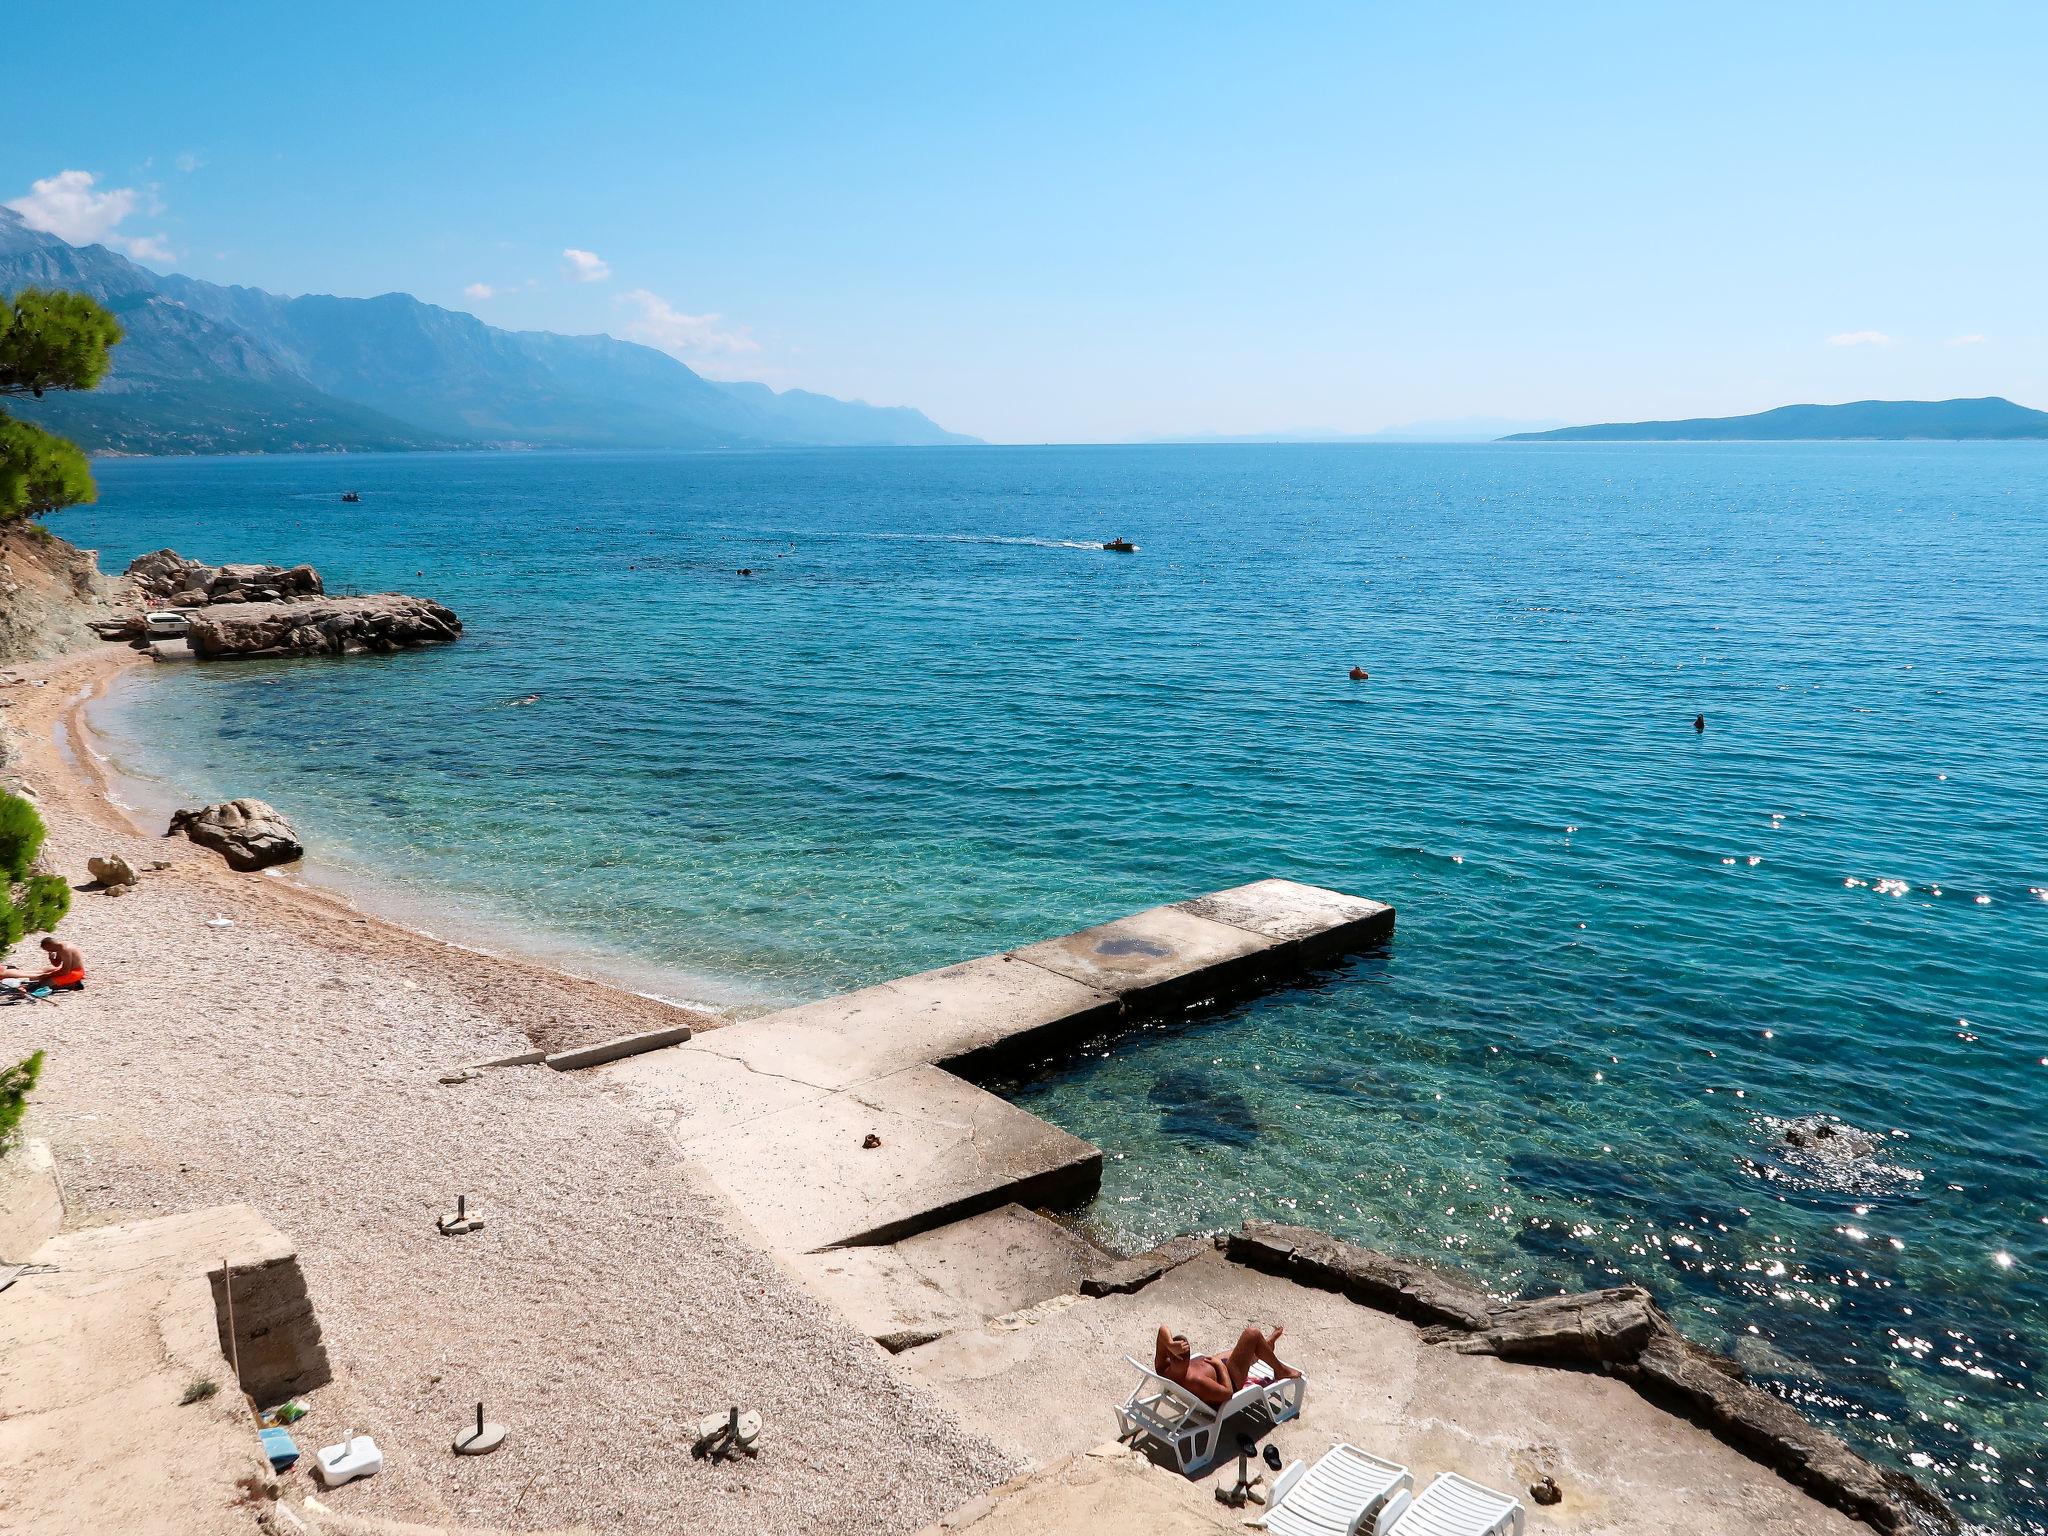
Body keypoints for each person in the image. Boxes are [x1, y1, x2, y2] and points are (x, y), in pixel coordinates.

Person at [1154, 1324, 1300, 1408]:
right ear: (1185, 1362)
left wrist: (1170, 1344)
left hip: (1216, 1366)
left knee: (1246, 1348)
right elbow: (1228, 1393)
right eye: (1178, 1359)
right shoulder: (1196, 1381)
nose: (1174, 1359)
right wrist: (1220, 1366)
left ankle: (1265, 1346)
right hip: (1231, 1379)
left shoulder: (1164, 1368)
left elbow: (1162, 1330)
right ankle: (1280, 1370)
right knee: (1251, 1334)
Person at [3, 935, 85, 991]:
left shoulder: (65, 950)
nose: (47, 951)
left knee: (46, 983)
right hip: (70, 970)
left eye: (46, 949)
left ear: (49, 945)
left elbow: (65, 971)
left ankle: (73, 984)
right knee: (46, 973)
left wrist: (46, 975)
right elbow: (57, 964)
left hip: (75, 972)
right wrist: (51, 958)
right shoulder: (59, 947)